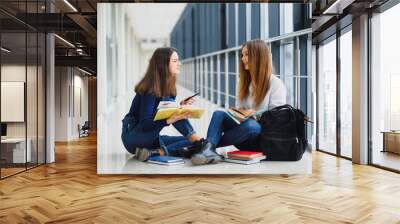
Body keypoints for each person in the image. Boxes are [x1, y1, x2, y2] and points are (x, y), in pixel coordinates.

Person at [191, 39, 287, 165]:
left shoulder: (276, 84)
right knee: (219, 113)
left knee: (250, 125)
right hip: (242, 137)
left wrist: (256, 114)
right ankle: (208, 149)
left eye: (247, 55)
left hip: (261, 139)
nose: (243, 58)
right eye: (242, 55)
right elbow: (239, 112)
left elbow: (277, 119)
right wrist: (236, 113)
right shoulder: (243, 82)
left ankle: (202, 147)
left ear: (258, 57)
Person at [121, 47, 203, 162]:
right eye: (175, 61)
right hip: (135, 138)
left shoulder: (167, 87)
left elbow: (164, 110)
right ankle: (202, 143)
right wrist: (170, 119)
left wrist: (180, 106)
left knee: (191, 142)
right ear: (163, 64)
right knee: (196, 141)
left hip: (150, 140)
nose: (179, 64)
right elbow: (145, 124)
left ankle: (155, 153)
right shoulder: (150, 88)